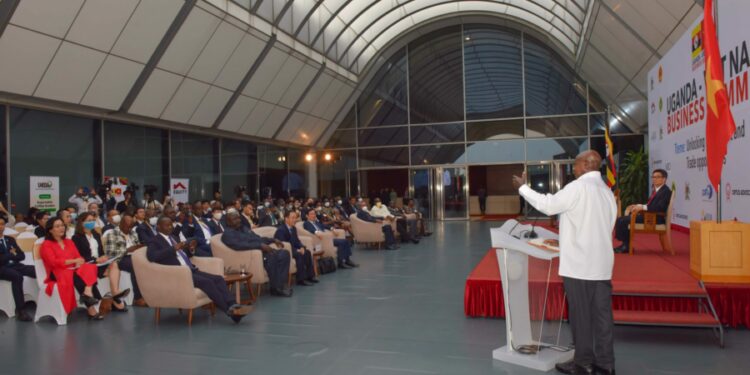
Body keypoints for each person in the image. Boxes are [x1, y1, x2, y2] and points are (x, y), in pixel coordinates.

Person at [512, 150, 617, 375]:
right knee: (602, 316)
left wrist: (523, 188)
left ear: (587, 165)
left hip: (580, 265)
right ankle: (606, 364)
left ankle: (583, 363)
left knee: (580, 316)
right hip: (602, 265)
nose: (573, 168)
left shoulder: (578, 187)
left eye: (576, 164)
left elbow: (549, 205)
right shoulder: (607, 192)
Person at [147, 216, 251, 323]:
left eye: (171, 225)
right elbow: (151, 256)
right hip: (179, 274)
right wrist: (173, 249)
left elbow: (185, 254)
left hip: (191, 269)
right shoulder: (155, 241)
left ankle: (233, 305)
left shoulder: (174, 237)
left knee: (218, 278)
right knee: (208, 282)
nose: (170, 227)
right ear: (158, 227)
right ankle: (230, 312)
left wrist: (191, 249)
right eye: (167, 225)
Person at [39, 217, 104, 320]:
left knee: (90, 267)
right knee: (78, 277)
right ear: (50, 230)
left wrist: (79, 262)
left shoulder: (68, 241)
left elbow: (79, 257)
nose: (61, 228)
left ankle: (87, 292)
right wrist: (73, 262)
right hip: (57, 272)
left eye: (62, 225)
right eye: (57, 226)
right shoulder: (46, 245)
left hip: (73, 269)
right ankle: (91, 307)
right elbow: (53, 262)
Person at [222, 212, 293, 297]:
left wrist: (273, 240)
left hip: (263, 251)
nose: (238, 220)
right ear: (228, 222)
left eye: (238, 218)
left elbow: (258, 238)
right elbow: (239, 246)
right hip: (253, 255)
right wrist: (260, 246)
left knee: (284, 254)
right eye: (235, 219)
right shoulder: (228, 234)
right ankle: (277, 289)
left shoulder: (244, 228)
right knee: (272, 257)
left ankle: (279, 286)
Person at [71, 212, 130, 312]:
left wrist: (104, 256)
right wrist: (95, 260)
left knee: (114, 264)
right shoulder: (76, 238)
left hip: (99, 264)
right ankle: (114, 298)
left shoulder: (96, 234)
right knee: (96, 267)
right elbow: (79, 256)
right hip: (87, 264)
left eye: (93, 220)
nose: (92, 222)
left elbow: (101, 251)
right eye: (89, 220)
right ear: (81, 223)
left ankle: (115, 293)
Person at [613, 169, 672, 253]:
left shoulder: (666, 191)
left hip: (655, 218)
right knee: (621, 219)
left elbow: (660, 208)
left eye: (657, 177)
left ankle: (625, 246)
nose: (654, 179)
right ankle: (625, 245)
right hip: (650, 215)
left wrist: (643, 208)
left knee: (622, 220)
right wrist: (639, 206)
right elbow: (651, 205)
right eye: (653, 177)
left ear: (664, 179)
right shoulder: (657, 190)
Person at [102, 214, 144, 306]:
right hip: (119, 259)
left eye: (131, 227)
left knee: (148, 263)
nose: (129, 229)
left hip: (134, 256)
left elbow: (137, 245)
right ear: (121, 224)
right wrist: (126, 251)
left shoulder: (133, 233)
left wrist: (139, 248)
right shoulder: (112, 233)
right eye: (127, 226)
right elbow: (110, 253)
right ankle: (138, 298)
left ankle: (148, 294)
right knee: (136, 266)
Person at [0, 217, 36, 321]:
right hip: (2, 268)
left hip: (15, 265)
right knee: (17, 276)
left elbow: (21, 256)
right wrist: (10, 254)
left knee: (36, 271)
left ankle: (45, 303)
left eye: (2, 224)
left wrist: (6, 255)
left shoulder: (10, 239)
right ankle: (21, 310)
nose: (0, 226)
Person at [275, 211, 316, 286]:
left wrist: (301, 247)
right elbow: (283, 245)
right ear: (286, 219)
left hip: (294, 249)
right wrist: (297, 250)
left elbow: (297, 241)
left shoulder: (293, 228)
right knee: (299, 255)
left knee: (307, 252)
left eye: (295, 218)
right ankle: (300, 279)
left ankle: (310, 276)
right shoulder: (281, 230)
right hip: (286, 252)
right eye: (292, 218)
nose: (295, 220)